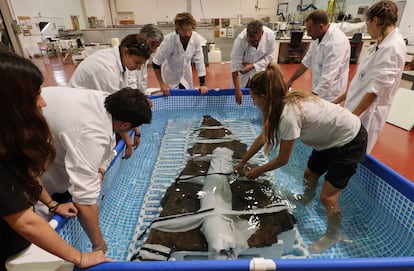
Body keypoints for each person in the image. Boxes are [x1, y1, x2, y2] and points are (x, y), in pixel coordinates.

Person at [235, 64, 367, 253]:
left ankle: (333, 234)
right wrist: (243, 161)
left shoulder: (288, 116)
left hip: (349, 140)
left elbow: (282, 160)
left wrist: (256, 171)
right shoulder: (279, 102)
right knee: (309, 174)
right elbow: (262, 137)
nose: (253, 102)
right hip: (330, 138)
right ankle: (305, 199)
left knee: (328, 198)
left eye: (253, 97)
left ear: (264, 97)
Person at [0, 49, 110, 270]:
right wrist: (79, 257)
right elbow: (24, 221)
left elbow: (26, 173)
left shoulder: (8, 136)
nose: (43, 103)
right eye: (35, 95)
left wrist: (52, 204)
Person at [39, 86, 152, 253]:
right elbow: (84, 202)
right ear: (125, 124)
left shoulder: (105, 100)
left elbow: (110, 139)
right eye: (130, 128)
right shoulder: (90, 134)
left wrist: (100, 170)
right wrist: (99, 245)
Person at [333, 0, 406, 154]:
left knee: (353, 156)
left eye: (368, 24)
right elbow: (360, 81)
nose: (368, 29)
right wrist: (338, 101)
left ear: (376, 20)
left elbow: (375, 91)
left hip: (367, 115)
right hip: (355, 108)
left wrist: (352, 117)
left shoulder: (392, 47)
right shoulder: (379, 44)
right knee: (342, 151)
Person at [69, 34, 151, 159]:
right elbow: (116, 111)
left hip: (95, 104)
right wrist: (128, 142)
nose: (139, 68)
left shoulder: (121, 60)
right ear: (125, 51)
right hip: (80, 111)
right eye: (137, 62)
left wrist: (137, 129)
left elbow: (129, 90)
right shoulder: (106, 69)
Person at [286, 10, 350, 102]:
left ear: (320, 27)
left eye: (309, 30)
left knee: (326, 114)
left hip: (331, 92)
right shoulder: (317, 36)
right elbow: (306, 61)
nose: (308, 34)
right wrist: (290, 81)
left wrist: (309, 99)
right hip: (318, 85)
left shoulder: (335, 43)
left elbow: (328, 78)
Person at [152, 12, 208, 96]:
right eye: (184, 30)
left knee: (187, 97)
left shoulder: (196, 39)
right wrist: (162, 84)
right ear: (178, 29)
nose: (187, 34)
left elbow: (199, 61)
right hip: (170, 74)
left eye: (189, 30)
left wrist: (202, 84)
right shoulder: (169, 40)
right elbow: (156, 62)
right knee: (171, 98)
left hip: (185, 73)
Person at [230, 19, 275, 105]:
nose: (252, 44)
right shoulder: (240, 40)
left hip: (258, 69)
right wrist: (238, 90)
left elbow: (270, 56)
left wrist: (253, 66)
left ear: (262, 33)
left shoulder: (270, 36)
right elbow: (234, 65)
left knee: (258, 95)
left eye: (255, 41)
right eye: (250, 41)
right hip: (241, 70)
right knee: (238, 99)